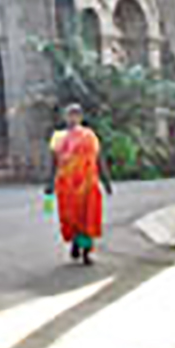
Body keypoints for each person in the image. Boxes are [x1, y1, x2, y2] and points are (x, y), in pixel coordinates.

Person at [46, 103, 113, 265]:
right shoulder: (58, 137)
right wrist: (50, 182)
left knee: (88, 218)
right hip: (67, 187)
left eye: (76, 114)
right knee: (71, 218)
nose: (72, 118)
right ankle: (76, 243)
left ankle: (86, 252)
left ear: (81, 117)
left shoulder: (90, 136)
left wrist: (106, 181)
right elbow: (54, 162)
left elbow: (98, 159)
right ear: (64, 117)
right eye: (70, 114)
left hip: (88, 185)